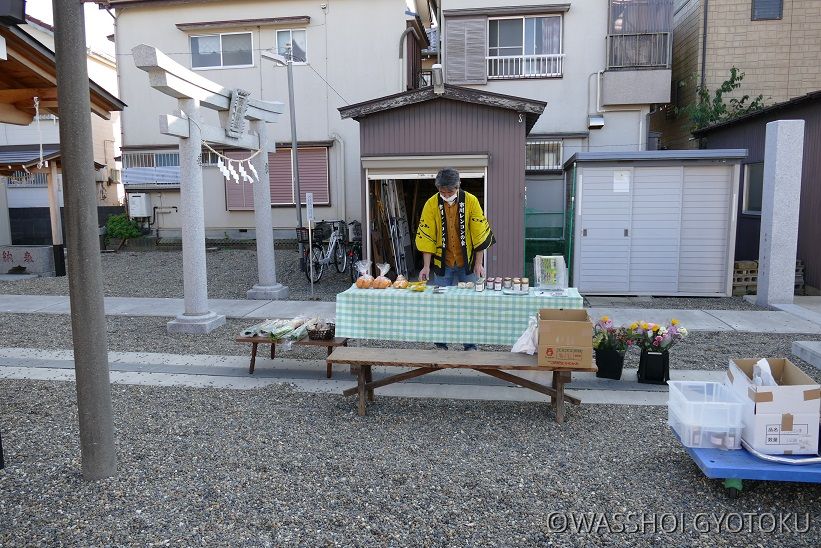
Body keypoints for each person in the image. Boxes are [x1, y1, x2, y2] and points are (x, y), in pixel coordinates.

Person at [415, 168, 495, 351]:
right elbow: (427, 235)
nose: (446, 195)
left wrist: (478, 263)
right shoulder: (431, 204)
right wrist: (426, 266)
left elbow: (479, 234)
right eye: (442, 192)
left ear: (458, 187)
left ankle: (470, 344)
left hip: (466, 262)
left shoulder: (471, 201)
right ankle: (441, 343)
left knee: (470, 304)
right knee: (441, 305)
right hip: (443, 263)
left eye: (449, 192)